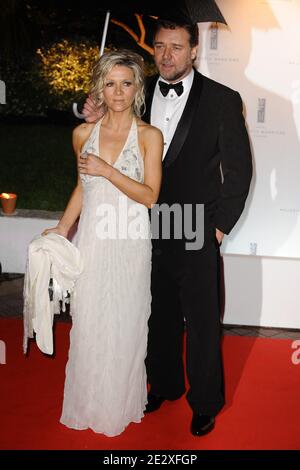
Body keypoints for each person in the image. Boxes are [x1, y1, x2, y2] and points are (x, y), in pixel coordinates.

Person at [83, 19, 253, 437]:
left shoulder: (222, 99)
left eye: (176, 47)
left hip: (198, 226)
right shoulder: (134, 98)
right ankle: (164, 385)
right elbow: (109, 138)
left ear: (194, 50)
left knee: (201, 321)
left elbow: (240, 169)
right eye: (159, 47)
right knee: (155, 314)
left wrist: (219, 228)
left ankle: (205, 402)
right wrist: (95, 112)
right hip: (145, 224)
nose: (167, 55)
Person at [42, 49, 163, 437]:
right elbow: (83, 188)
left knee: (126, 324)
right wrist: (62, 229)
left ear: (137, 88)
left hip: (130, 242)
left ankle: (118, 407)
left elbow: (149, 196)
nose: (118, 91)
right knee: (90, 321)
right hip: (93, 239)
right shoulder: (82, 135)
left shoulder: (149, 136)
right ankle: (89, 402)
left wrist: (106, 169)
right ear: (99, 87)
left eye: (126, 83)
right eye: (110, 83)